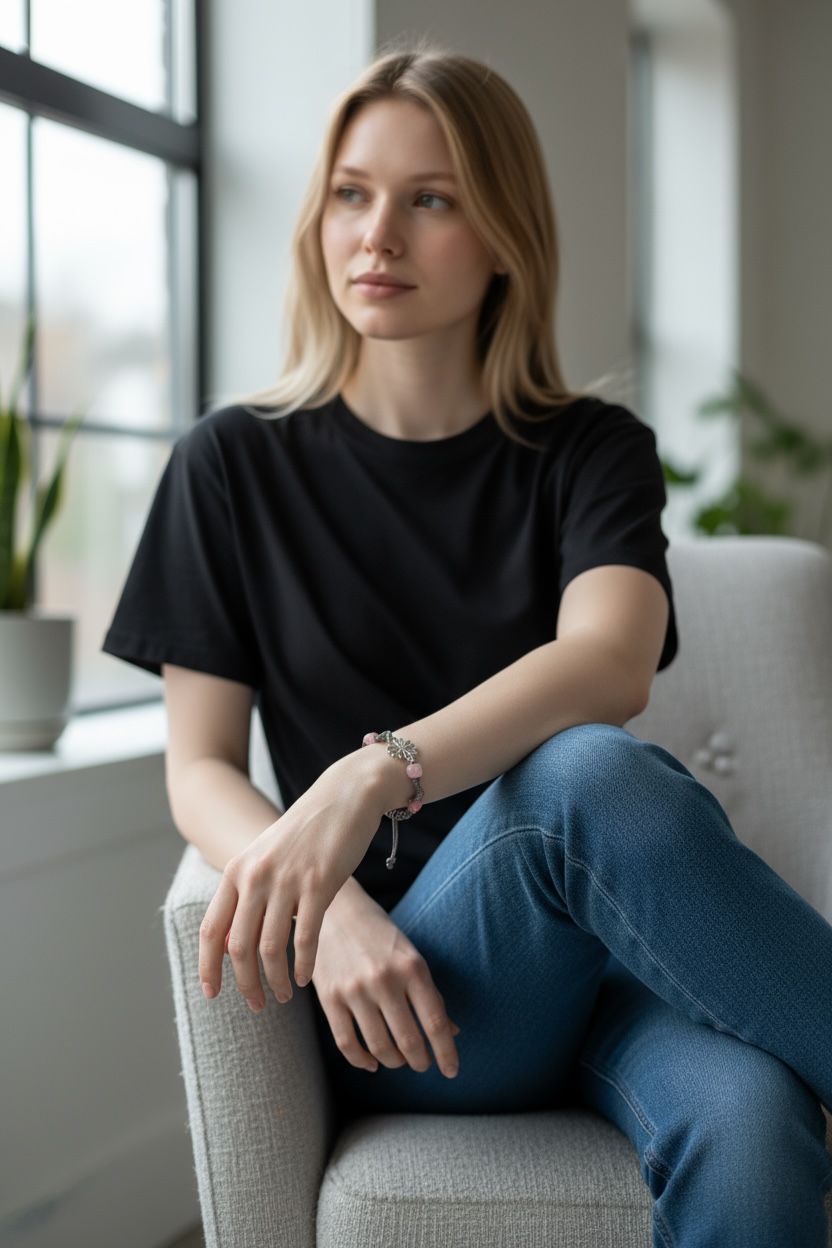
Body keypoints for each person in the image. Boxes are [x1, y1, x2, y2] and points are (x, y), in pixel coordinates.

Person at [101, 38, 832, 1247]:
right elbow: (200, 768)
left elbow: (609, 663)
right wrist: (325, 897)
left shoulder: (590, 449)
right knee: (573, 779)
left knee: (756, 1128)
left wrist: (367, 771)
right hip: (418, 992)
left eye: (429, 199)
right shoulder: (229, 465)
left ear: (500, 235)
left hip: (616, 978)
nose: (375, 234)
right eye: (351, 192)